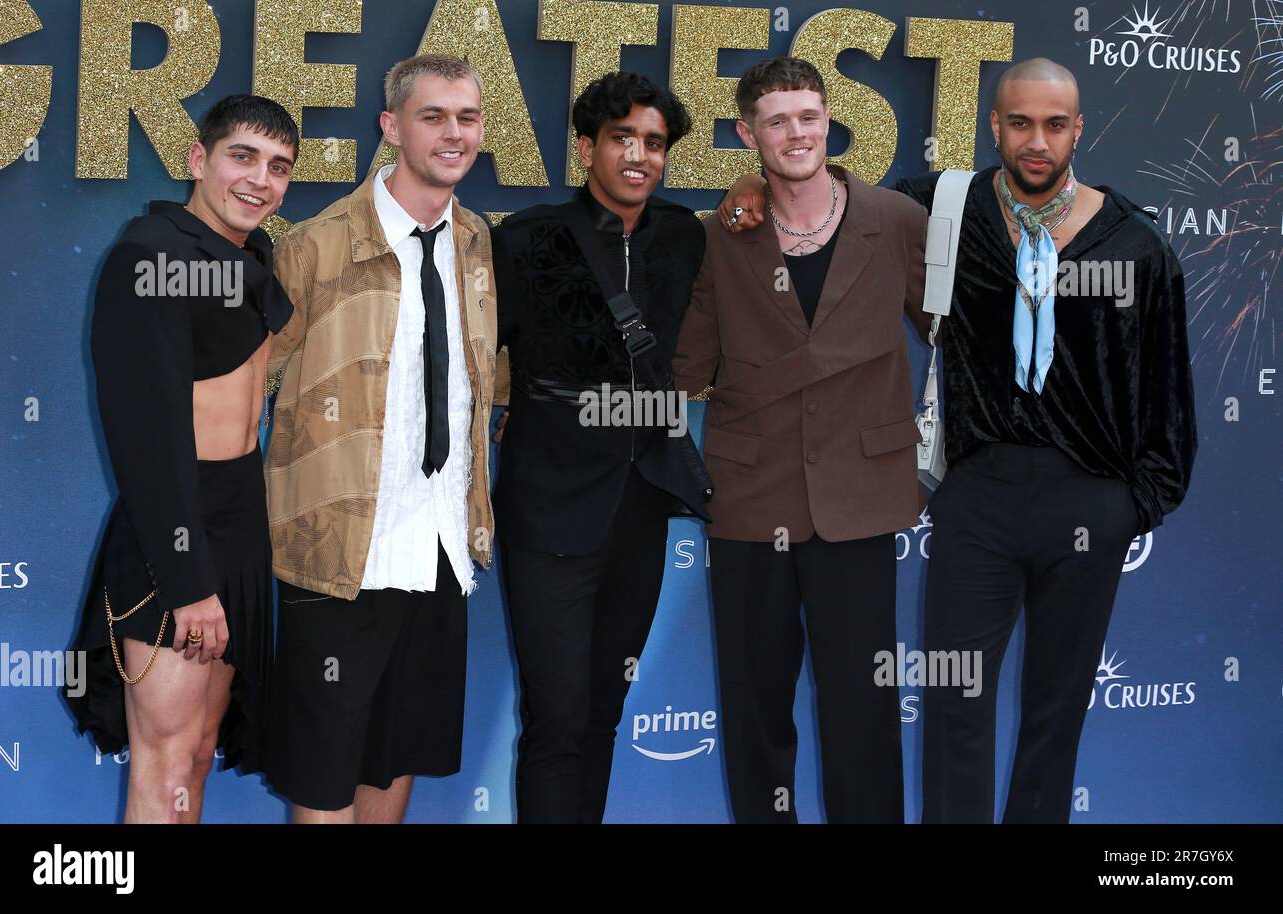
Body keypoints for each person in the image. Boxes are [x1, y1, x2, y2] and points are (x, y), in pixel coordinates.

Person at [720, 57, 1197, 823]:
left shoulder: (1136, 245)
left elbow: (1169, 394)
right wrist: (748, 186)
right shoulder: (943, 209)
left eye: (1053, 124)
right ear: (994, 127)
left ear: (1079, 129)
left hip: (1090, 504)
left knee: (1055, 713)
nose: (1035, 141)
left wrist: (1133, 506)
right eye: (1019, 123)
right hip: (978, 498)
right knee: (954, 703)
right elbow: (827, 194)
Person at [673, 57, 930, 823]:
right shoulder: (720, 235)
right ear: (749, 133)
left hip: (861, 497)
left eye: (809, 116)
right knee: (754, 713)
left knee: (865, 712)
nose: (797, 133)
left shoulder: (896, 220)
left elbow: (954, 331)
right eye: (778, 120)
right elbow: (688, 365)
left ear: (829, 122)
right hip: (752, 501)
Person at [261, 54, 499, 824]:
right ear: (391, 127)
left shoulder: (478, 246)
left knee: (398, 756)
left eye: (466, 117)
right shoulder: (313, 246)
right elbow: (247, 389)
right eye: (433, 116)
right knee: (325, 773)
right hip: (337, 553)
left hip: (437, 547)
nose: (452, 133)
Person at [66, 95, 299, 823]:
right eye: (242, 157)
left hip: (239, 525)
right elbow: (145, 439)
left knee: (196, 756)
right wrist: (189, 578)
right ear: (199, 160)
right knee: (165, 766)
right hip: (178, 535)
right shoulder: (149, 257)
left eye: (279, 166)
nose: (260, 180)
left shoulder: (249, 257)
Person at [490, 71, 712, 824]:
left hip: (639, 506)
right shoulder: (526, 238)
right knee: (555, 722)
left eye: (654, 143)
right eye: (623, 139)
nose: (639, 156)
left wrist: (746, 190)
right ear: (587, 147)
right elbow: (475, 351)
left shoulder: (684, 236)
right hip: (549, 508)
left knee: (602, 716)